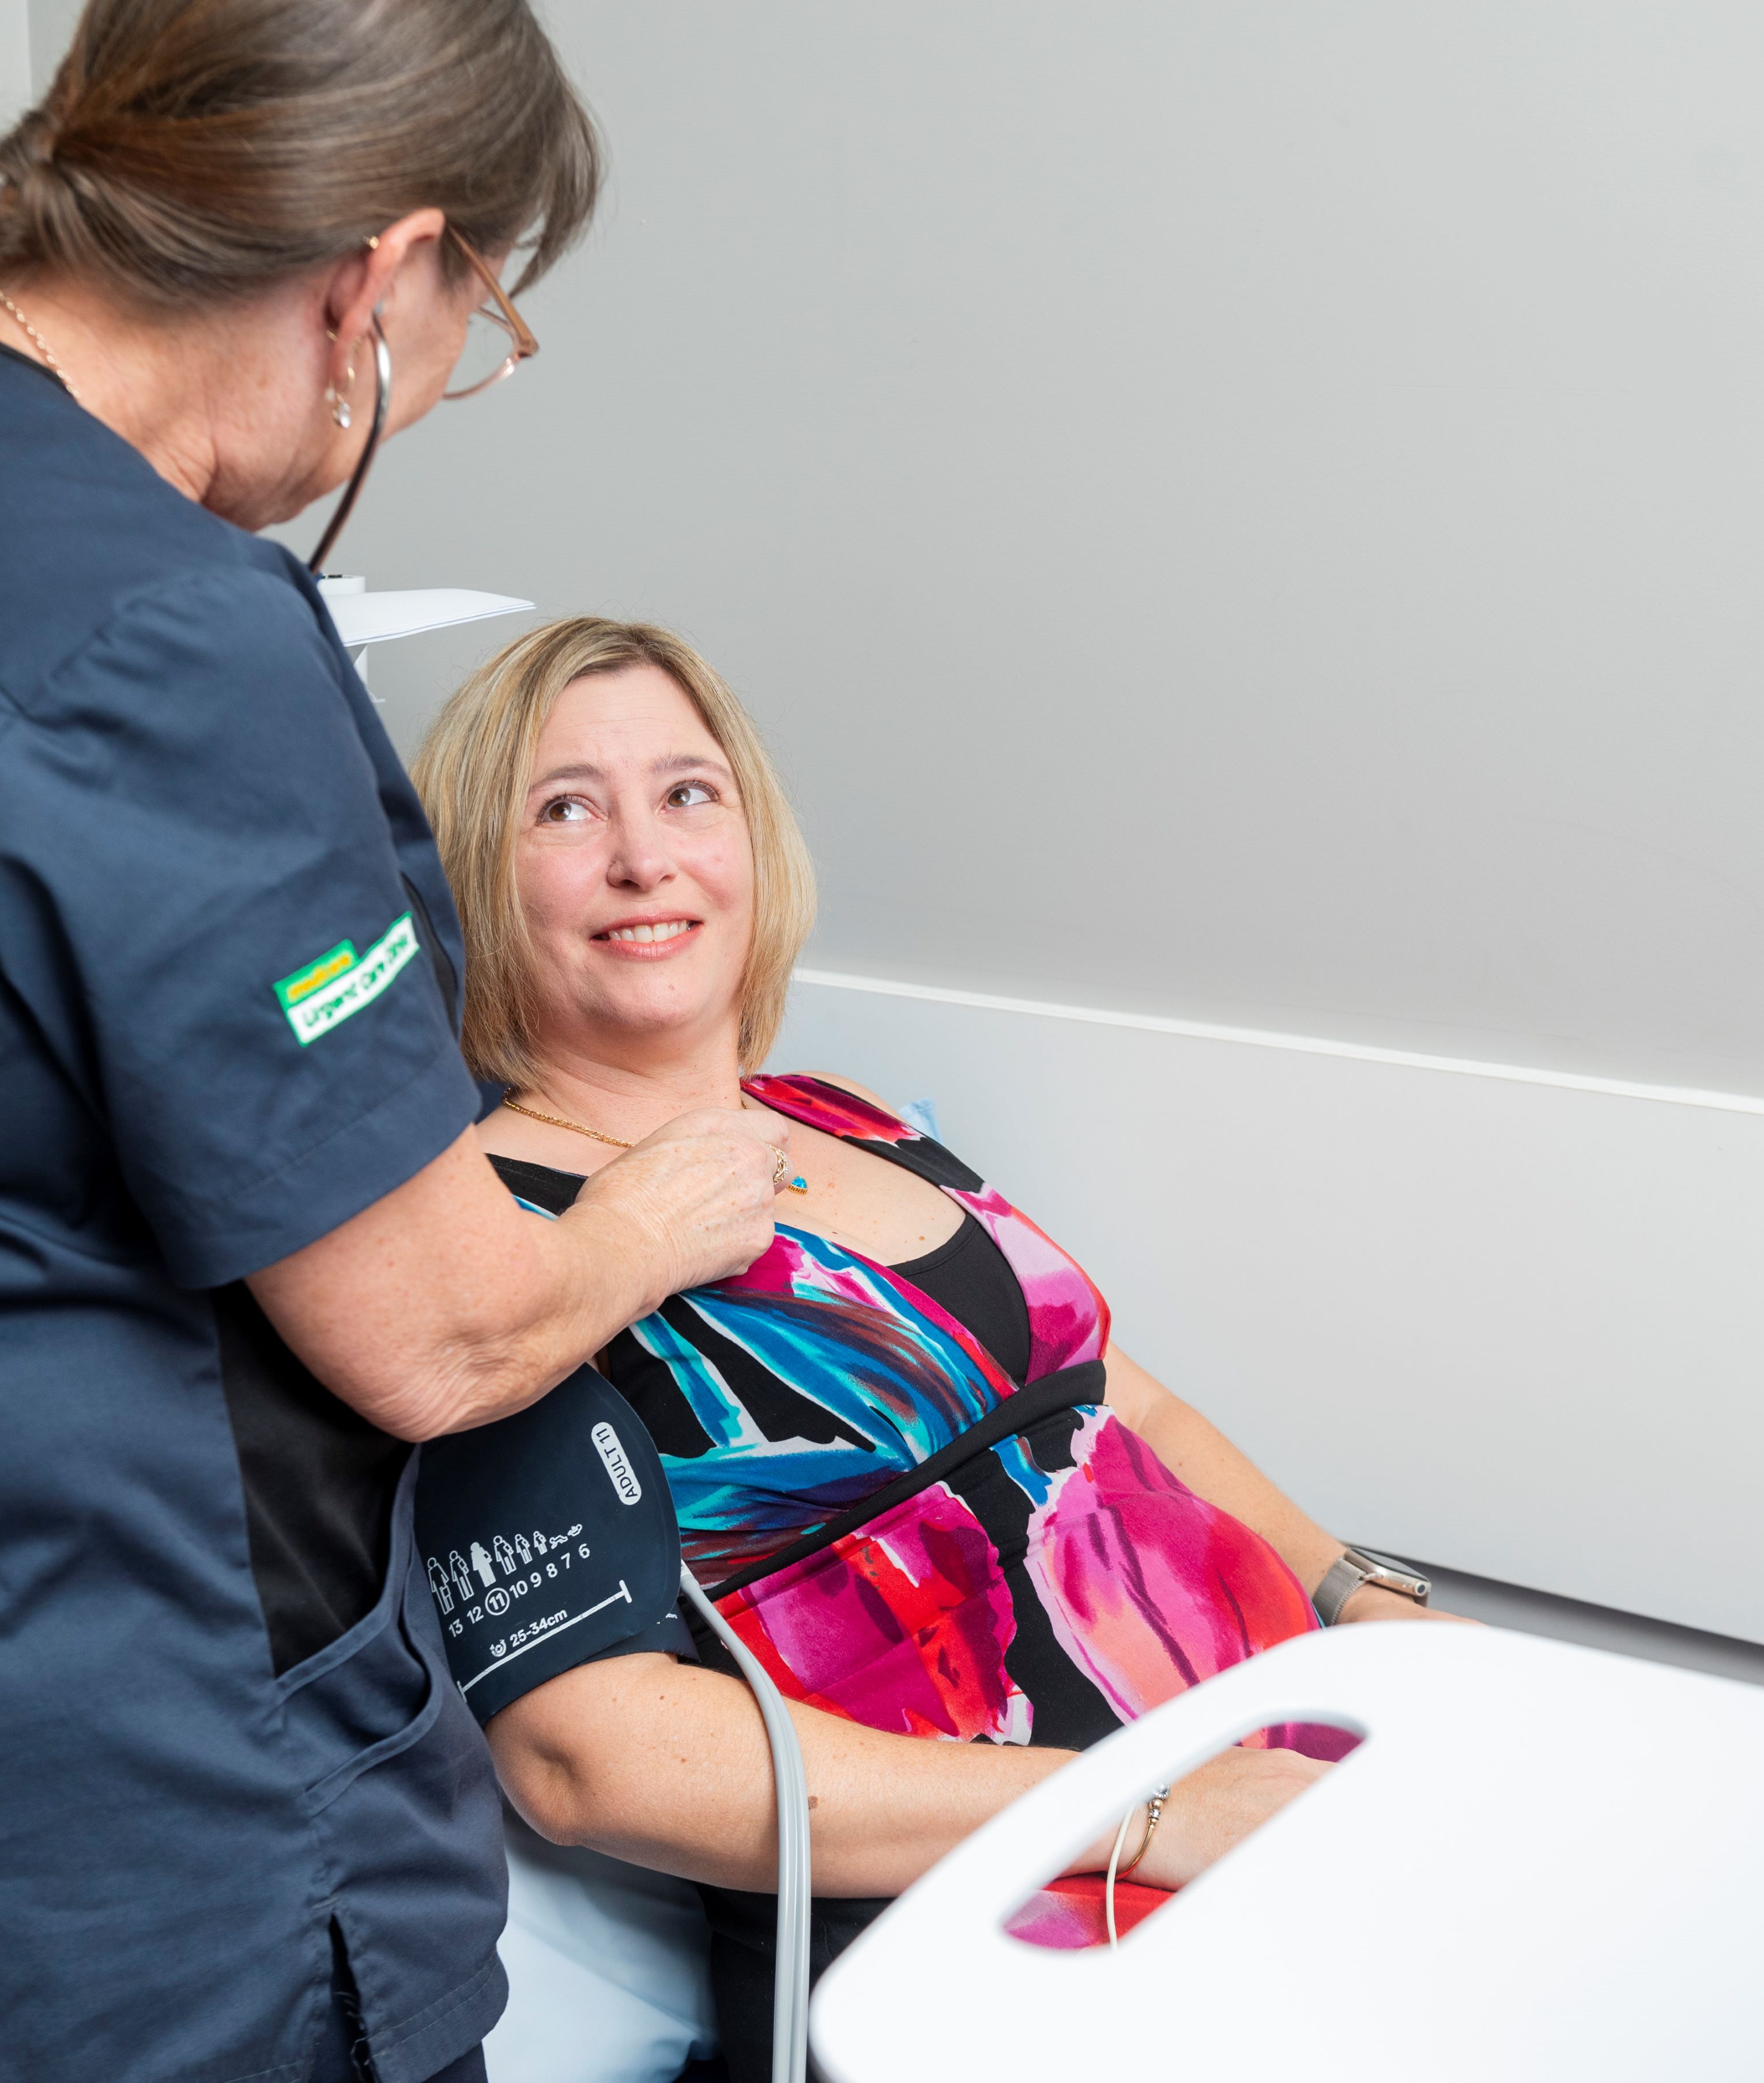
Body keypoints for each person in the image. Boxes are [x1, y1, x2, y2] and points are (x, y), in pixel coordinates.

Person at [0, 9, 789, 2081]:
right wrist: (637, 1223)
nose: (443, 381)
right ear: (377, 266)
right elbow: (432, 1334)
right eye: (478, 317)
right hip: (148, 1872)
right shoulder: (161, 639)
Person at [408, 618, 1471, 2073]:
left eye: (687, 793)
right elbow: (585, 1757)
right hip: (982, 1926)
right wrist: (1155, 1811)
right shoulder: (496, 1239)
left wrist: (1361, 1598)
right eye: (565, 809)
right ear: (476, 865)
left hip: (1265, 1770)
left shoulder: (841, 1109)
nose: (644, 857)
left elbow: (1104, 1397)